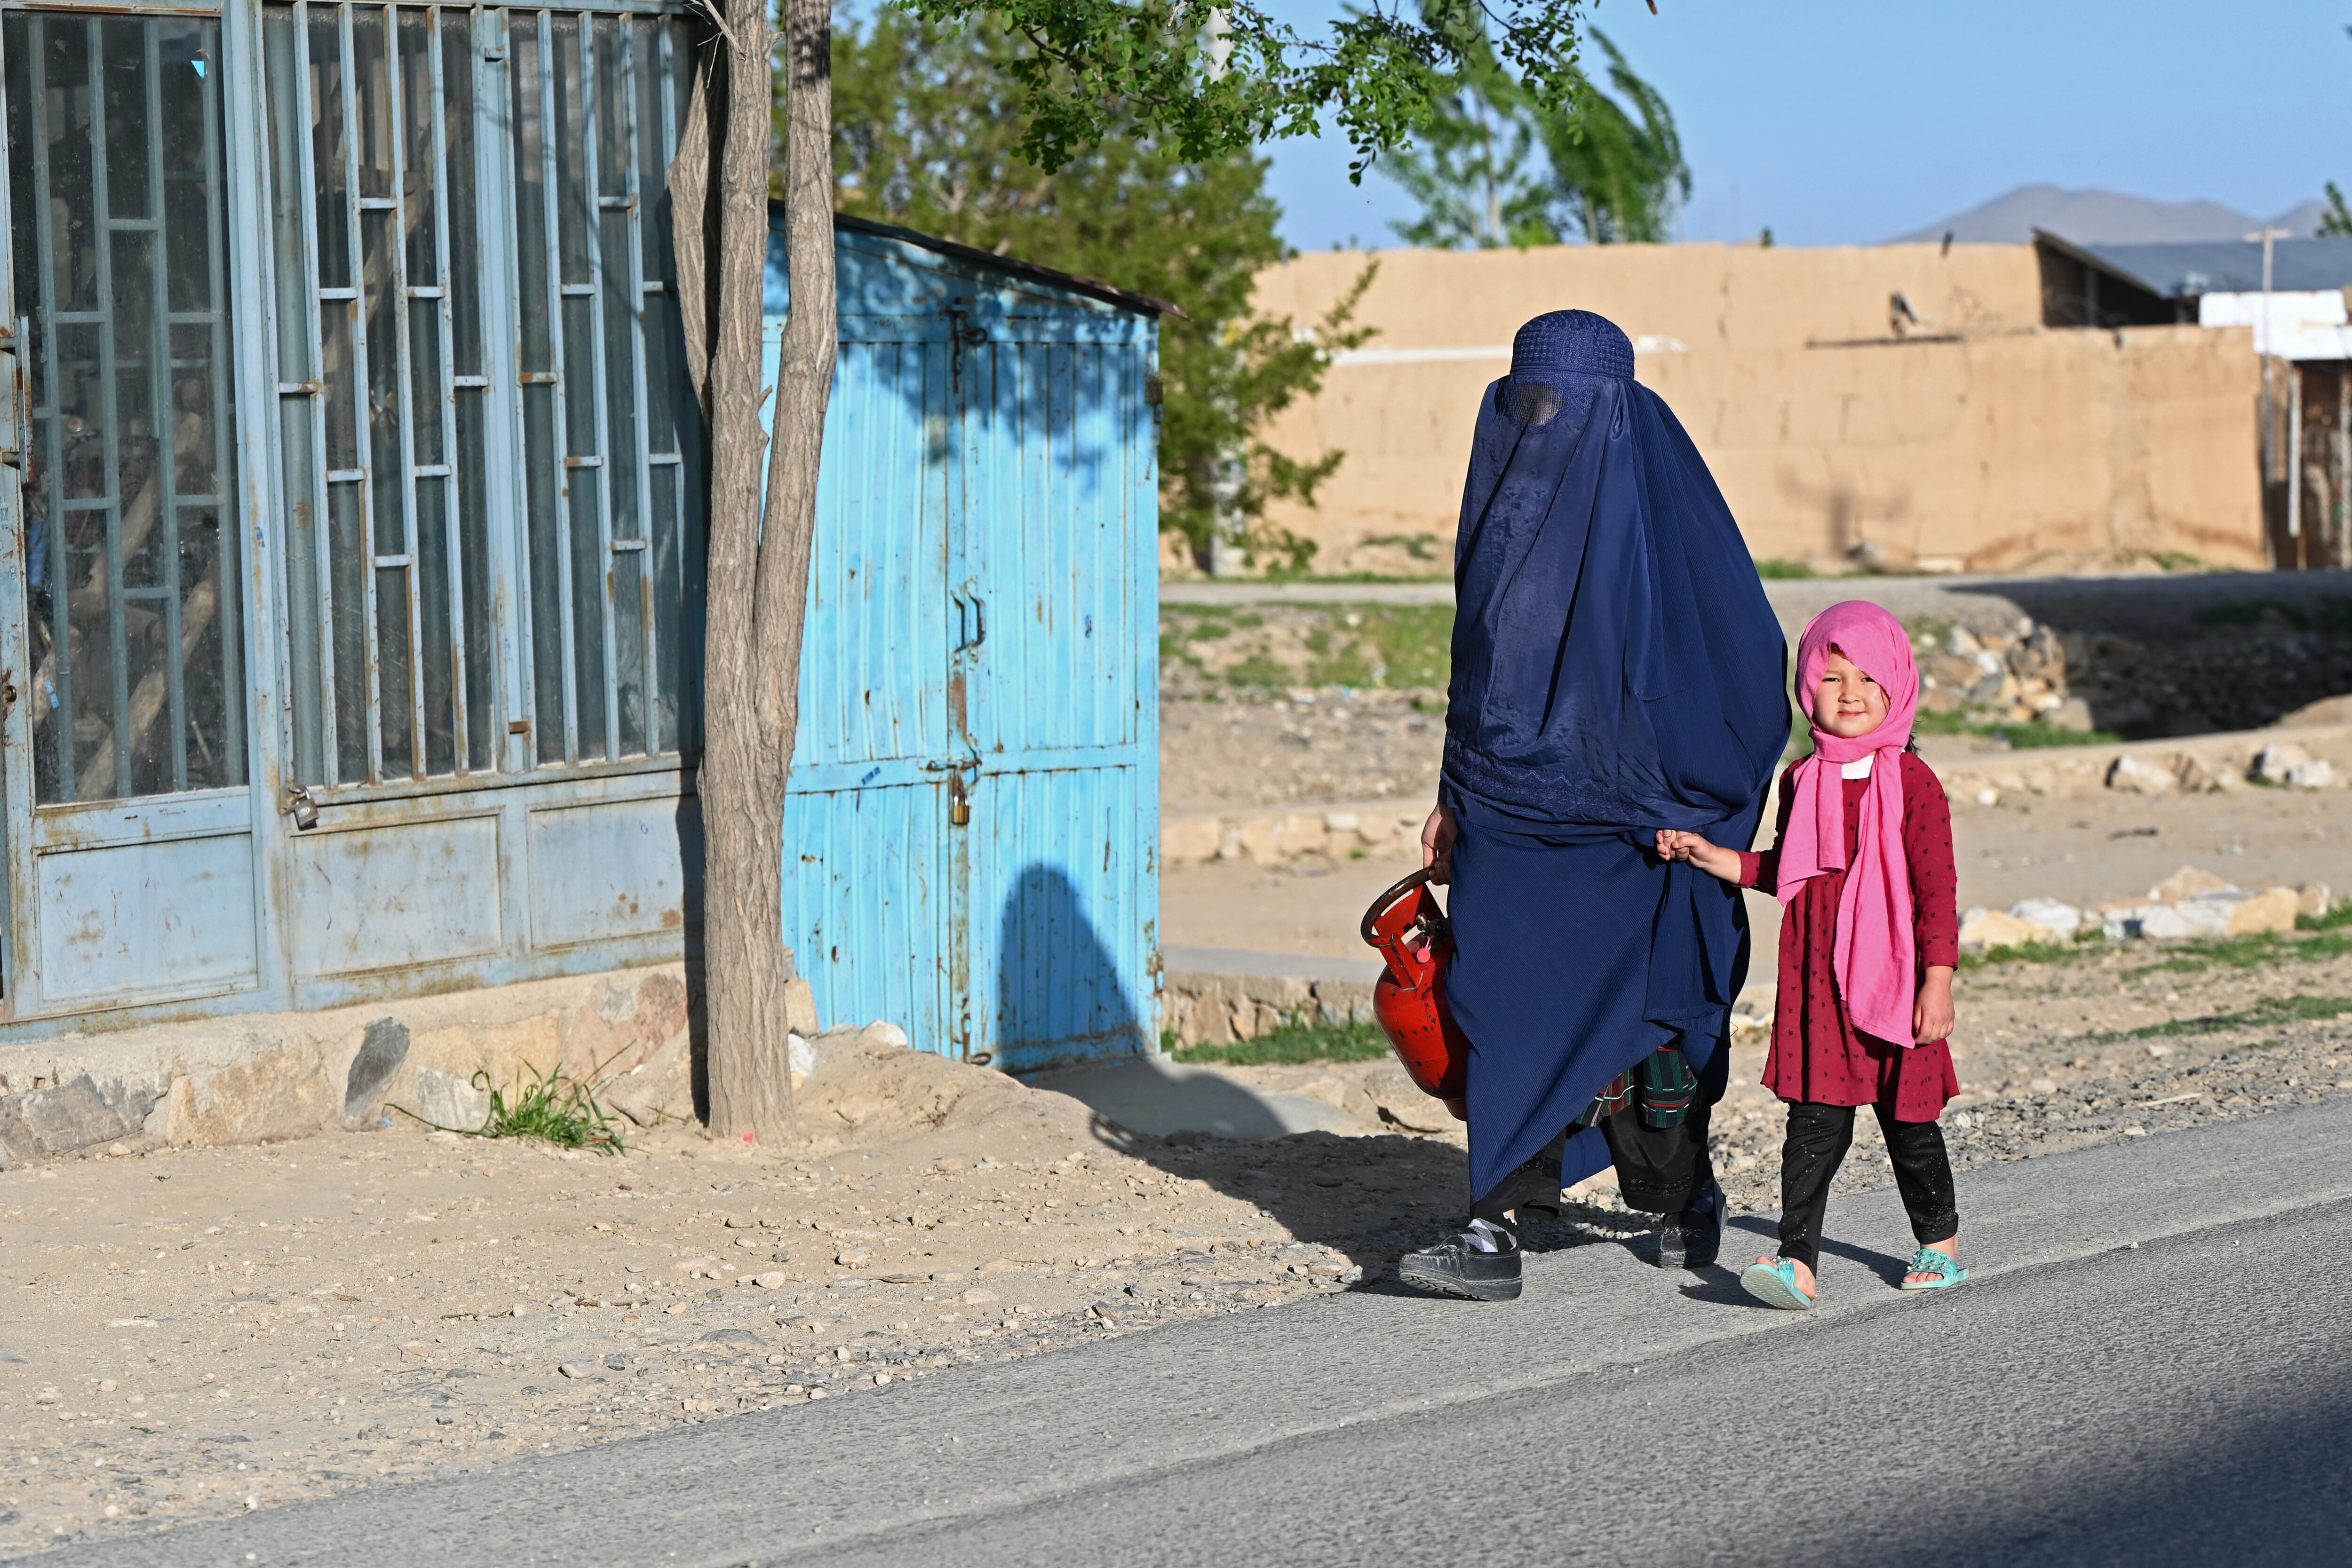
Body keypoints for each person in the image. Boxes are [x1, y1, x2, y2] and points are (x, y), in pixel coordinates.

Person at [1396, 309, 1788, 1303]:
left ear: (1615, 410)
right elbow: (1476, 667)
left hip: (1637, 825)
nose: (1540, 424)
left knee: (1646, 1026)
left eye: (1558, 403)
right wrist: (1452, 793)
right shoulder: (1505, 521)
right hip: (1506, 815)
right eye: (1524, 402)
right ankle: (1491, 1224)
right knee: (1503, 1011)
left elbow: (1744, 672)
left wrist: (1693, 808)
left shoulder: (1665, 522)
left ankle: (1679, 1191)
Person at [1658, 600, 1967, 1309]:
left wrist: (1937, 982)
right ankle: (1798, 1260)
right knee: (1813, 1124)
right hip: (1819, 984)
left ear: (1897, 685)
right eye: (1832, 678)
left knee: (1909, 1123)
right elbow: (1789, 868)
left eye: (1867, 677)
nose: (1850, 692)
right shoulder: (1802, 780)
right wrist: (1712, 857)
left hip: (1897, 983)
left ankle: (1939, 1246)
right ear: (1807, 691)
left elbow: (1938, 891)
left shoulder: (1914, 784)